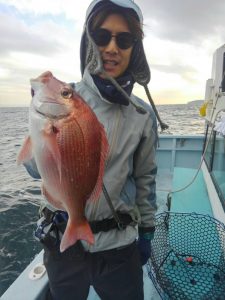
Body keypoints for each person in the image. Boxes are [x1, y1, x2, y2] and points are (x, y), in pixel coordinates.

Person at [25, 1, 158, 299]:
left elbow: (146, 180)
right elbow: (35, 170)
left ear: (135, 48)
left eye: (124, 40)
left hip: (118, 248)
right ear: (88, 40)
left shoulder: (142, 116)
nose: (112, 47)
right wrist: (38, 117)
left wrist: (147, 231)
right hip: (64, 243)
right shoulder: (62, 99)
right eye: (102, 36)